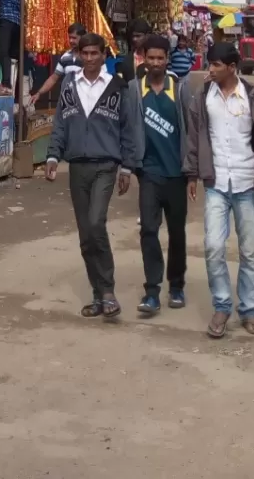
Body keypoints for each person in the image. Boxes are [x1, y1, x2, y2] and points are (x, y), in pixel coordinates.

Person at [185, 41, 254, 339]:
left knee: (249, 251)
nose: (210, 70)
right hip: (216, 183)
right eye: (210, 64)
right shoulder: (203, 96)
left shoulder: (253, 97)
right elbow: (194, 137)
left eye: (216, 65)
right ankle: (222, 306)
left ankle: (247, 311)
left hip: (247, 182)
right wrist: (192, 174)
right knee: (212, 247)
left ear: (232, 68)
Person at [45, 31, 142, 321]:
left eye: (94, 54)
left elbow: (128, 129)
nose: (89, 59)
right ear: (79, 56)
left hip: (106, 165)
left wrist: (127, 166)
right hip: (78, 166)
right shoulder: (69, 85)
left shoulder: (117, 87)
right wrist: (52, 155)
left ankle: (109, 290)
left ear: (103, 55)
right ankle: (99, 296)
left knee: (96, 221)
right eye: (84, 54)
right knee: (86, 234)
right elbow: (61, 122)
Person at [136, 34, 190, 316]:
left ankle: (177, 284)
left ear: (167, 60)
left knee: (177, 232)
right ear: (143, 59)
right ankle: (152, 290)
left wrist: (191, 171)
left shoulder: (179, 90)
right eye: (151, 58)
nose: (155, 63)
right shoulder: (135, 90)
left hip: (176, 175)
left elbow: (190, 131)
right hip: (149, 174)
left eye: (160, 58)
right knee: (148, 230)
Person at [30, 23, 85, 108]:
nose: (71, 41)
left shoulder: (89, 56)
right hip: (68, 105)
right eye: (70, 37)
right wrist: (39, 93)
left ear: (82, 38)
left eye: (74, 38)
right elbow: (53, 78)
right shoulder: (65, 57)